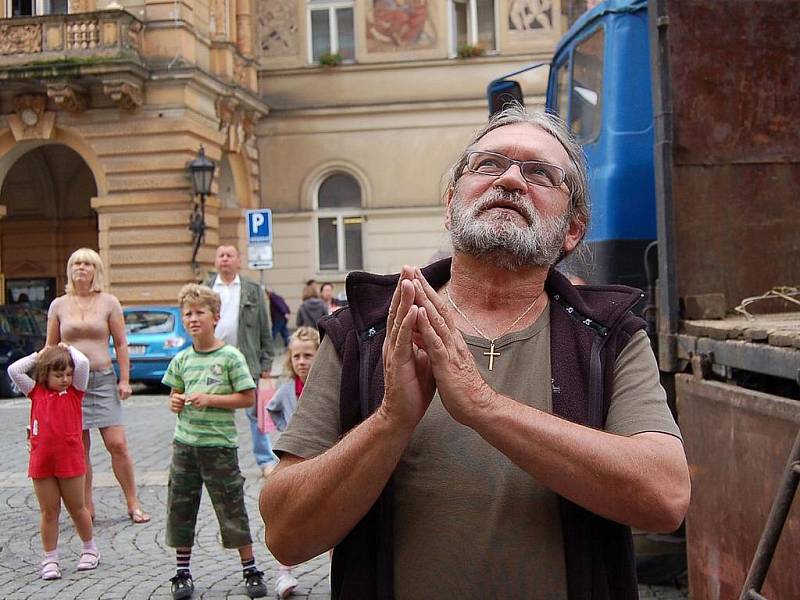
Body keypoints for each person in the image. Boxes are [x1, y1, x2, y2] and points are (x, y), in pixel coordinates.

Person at [259, 105, 691, 599]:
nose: (509, 179)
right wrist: (390, 421)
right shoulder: (365, 332)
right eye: (487, 164)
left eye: (540, 173)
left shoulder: (608, 336)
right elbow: (287, 536)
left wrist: (483, 407)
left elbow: (665, 496)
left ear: (573, 230)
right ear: (450, 204)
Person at [161, 283, 268, 600]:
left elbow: (247, 398)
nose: (193, 319)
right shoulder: (181, 359)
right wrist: (176, 402)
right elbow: (173, 395)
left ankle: (250, 569)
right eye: (188, 314)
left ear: (216, 317)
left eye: (200, 313)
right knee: (180, 508)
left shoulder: (230, 357)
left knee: (231, 507)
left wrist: (211, 398)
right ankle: (182, 573)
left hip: (219, 446)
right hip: (185, 446)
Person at [46, 248, 150, 524]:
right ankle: (87, 506)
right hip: (70, 383)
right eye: (76, 263)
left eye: (87, 264)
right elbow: (50, 347)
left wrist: (124, 379)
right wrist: (46, 386)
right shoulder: (58, 305)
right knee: (79, 447)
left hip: (102, 378)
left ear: (96, 270)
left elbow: (121, 343)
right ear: (70, 270)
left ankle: (133, 502)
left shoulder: (108, 302)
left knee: (117, 444)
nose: (81, 268)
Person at [8, 344, 100, 580]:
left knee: (77, 508)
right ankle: (50, 558)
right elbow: (14, 370)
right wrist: (38, 355)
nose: (65, 379)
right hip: (42, 460)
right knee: (49, 511)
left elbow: (84, 364)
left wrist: (68, 348)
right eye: (58, 375)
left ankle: (90, 549)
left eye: (68, 374)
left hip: (70, 460)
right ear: (45, 374)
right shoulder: (35, 391)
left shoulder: (75, 393)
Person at [205, 245, 278, 477]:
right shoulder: (206, 289)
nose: (225, 259)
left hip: (248, 361)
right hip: (213, 360)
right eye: (221, 255)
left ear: (239, 261)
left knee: (256, 413)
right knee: (214, 411)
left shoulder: (252, 289)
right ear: (216, 261)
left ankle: (265, 459)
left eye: (229, 255)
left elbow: (265, 328)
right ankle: (215, 459)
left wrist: (267, 362)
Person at [266, 326, 321, 598]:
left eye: (308, 355)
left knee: (332, 516)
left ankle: (342, 573)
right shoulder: (288, 389)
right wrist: (286, 436)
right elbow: (272, 408)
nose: (302, 362)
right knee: (289, 519)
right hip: (296, 464)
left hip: (322, 461)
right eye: (297, 356)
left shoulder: (325, 386)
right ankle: (284, 573)